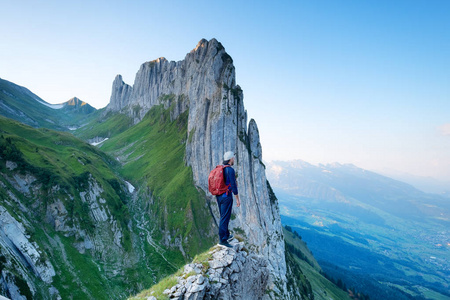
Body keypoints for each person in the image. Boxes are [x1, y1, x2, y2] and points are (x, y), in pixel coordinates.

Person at [216, 151, 241, 248]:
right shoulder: (230, 170)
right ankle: (222, 240)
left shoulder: (221, 168)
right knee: (224, 218)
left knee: (223, 216)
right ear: (230, 159)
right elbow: (234, 186)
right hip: (226, 197)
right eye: (233, 158)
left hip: (219, 196)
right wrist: (237, 199)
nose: (234, 159)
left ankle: (226, 235)